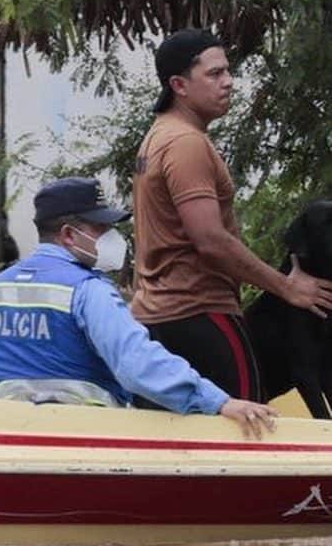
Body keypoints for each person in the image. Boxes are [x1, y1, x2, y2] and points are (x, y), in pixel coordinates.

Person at [0, 177, 278, 438]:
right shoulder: (87, 290)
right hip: (87, 440)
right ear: (70, 234)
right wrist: (217, 401)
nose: (112, 238)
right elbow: (137, 362)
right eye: (101, 229)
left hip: (11, 440)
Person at [132, 29, 332, 400]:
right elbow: (210, 240)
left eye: (228, 71)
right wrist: (287, 286)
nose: (229, 82)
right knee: (245, 430)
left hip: (156, 317)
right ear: (179, 84)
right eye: (214, 74)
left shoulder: (158, 136)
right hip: (202, 313)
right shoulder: (186, 143)